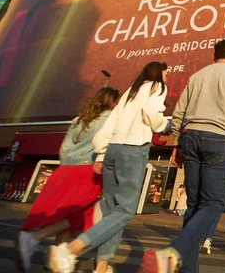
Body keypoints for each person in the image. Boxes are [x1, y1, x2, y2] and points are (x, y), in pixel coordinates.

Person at [142, 40, 225, 273]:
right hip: (219, 138)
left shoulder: (196, 76)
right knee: (214, 202)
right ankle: (172, 253)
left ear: (212, 54)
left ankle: (186, 268)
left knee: (194, 206)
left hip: (191, 138)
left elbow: (178, 113)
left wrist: (177, 144)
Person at [47, 62, 171, 273]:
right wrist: (164, 126)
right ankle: (71, 249)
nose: (167, 76)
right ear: (159, 73)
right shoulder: (157, 87)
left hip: (112, 149)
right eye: (166, 73)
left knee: (113, 212)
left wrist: (102, 152)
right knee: (124, 211)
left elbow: (110, 123)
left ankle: (101, 267)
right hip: (133, 150)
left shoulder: (130, 92)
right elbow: (152, 113)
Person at [16, 87, 119, 272]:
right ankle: (34, 238)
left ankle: (56, 259)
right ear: (113, 102)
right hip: (89, 170)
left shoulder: (79, 120)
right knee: (80, 214)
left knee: (68, 212)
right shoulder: (111, 117)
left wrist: (67, 165)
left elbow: (64, 147)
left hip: (66, 169)